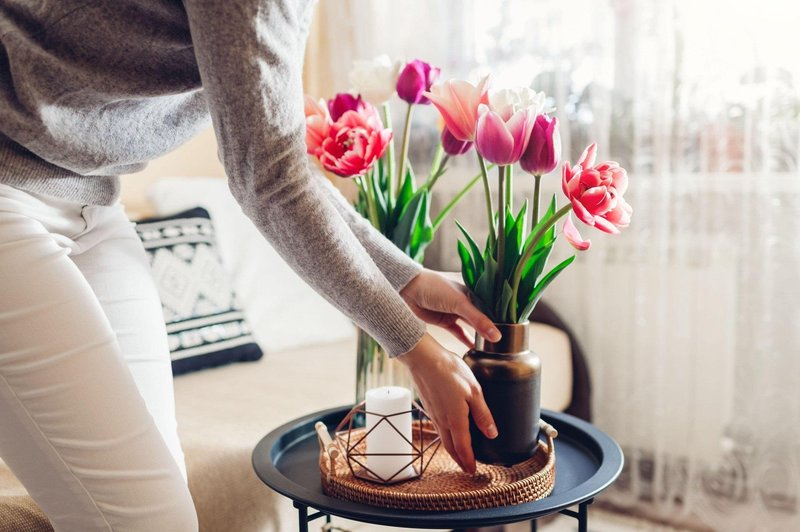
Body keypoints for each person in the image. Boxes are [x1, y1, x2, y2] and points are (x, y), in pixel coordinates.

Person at [0, 0, 501, 529]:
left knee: (162, 500)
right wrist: (414, 348)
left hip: (94, 207)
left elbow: (276, 160)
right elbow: (269, 179)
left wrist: (407, 277)